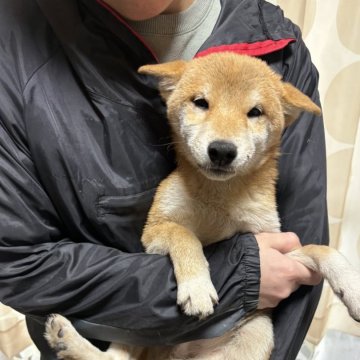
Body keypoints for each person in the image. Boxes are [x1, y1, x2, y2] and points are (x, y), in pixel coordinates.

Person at [0, 0, 327, 359]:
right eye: (201, 103)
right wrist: (233, 274)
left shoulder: (281, 48)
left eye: (252, 112)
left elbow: (297, 265)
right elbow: (17, 262)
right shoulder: (13, 40)